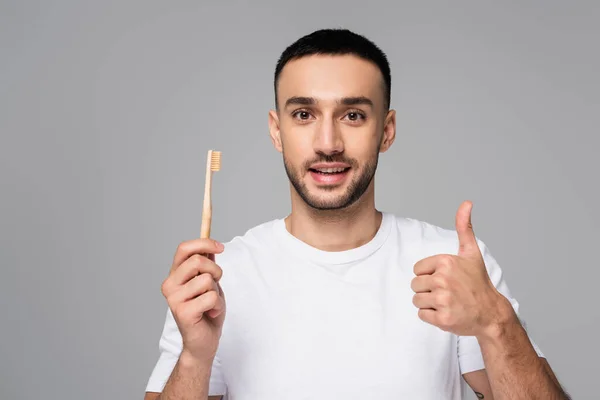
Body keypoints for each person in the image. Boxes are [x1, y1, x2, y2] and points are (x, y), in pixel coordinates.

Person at [144, 28, 569, 400]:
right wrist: (194, 359)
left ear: (386, 130)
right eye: (304, 114)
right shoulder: (217, 277)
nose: (328, 143)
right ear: (277, 130)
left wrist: (497, 323)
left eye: (353, 115)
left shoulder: (453, 264)